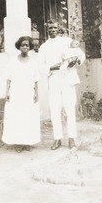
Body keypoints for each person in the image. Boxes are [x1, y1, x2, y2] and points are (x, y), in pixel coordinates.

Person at [38, 19, 85, 150]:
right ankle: (57, 139)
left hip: (67, 78)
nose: (52, 30)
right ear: (47, 30)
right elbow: (40, 67)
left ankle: (71, 138)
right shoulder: (44, 47)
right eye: (50, 28)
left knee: (70, 108)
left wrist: (75, 60)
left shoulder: (67, 41)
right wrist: (52, 67)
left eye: (55, 28)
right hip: (53, 78)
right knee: (55, 109)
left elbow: (81, 55)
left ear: (59, 29)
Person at [2, 36, 40, 152]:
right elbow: (8, 78)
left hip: (28, 93)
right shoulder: (13, 60)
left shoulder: (33, 62)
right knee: (17, 117)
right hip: (16, 93)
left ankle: (27, 142)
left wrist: (36, 93)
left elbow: (36, 79)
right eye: (23, 45)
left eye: (27, 45)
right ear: (19, 46)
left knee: (28, 117)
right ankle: (18, 143)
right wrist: (7, 92)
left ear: (30, 47)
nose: (24, 47)